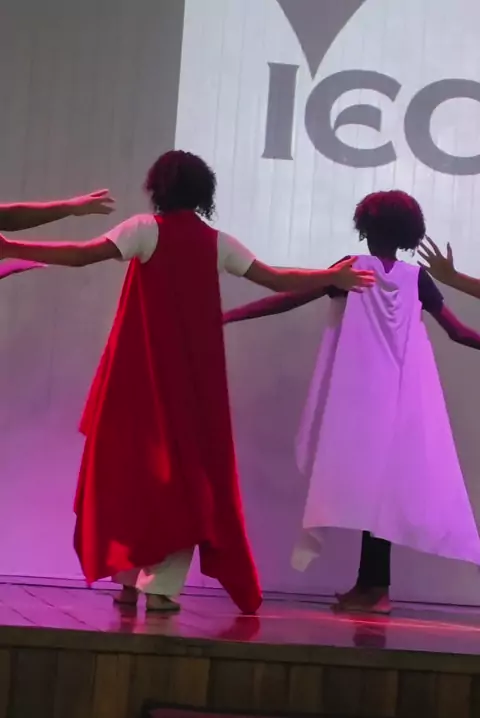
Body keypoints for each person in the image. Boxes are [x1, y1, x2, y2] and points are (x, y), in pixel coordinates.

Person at [0, 150, 375, 614]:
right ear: (203, 193)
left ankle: (129, 580)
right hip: (192, 386)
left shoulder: (145, 229)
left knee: (130, 472)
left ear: (158, 188)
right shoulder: (217, 242)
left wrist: (13, 247)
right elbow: (275, 278)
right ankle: (159, 587)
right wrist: (330, 275)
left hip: (139, 380)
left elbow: (82, 256)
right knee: (187, 480)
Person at [224, 189, 480, 614]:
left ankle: (376, 590)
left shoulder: (354, 268)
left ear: (365, 227)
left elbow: (290, 297)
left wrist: (232, 314)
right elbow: (457, 331)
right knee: (378, 494)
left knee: (369, 492)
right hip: (400, 402)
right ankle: (371, 585)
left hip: (359, 402)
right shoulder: (416, 278)